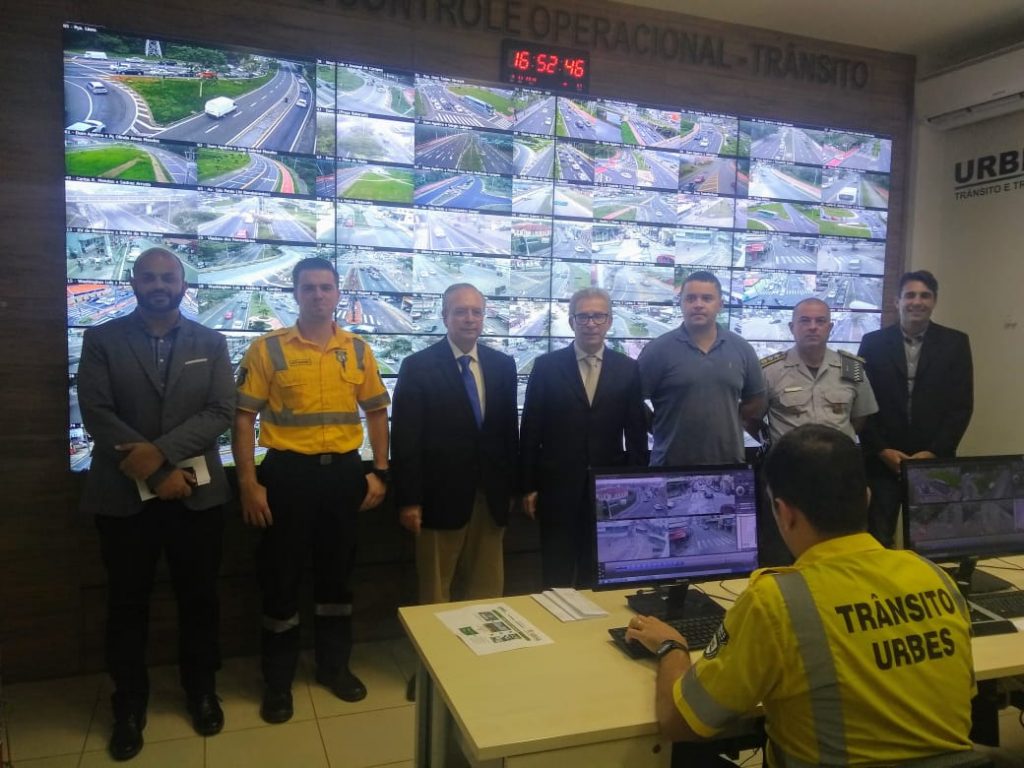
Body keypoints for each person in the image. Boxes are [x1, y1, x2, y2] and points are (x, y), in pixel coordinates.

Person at [626, 424, 975, 766]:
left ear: (784, 513)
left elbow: (680, 723)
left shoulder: (776, 602)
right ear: (867, 498)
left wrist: (672, 648)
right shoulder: (935, 577)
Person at [78, 247, 235, 760]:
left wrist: (159, 457)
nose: (159, 285)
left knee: (201, 601)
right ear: (134, 283)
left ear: (183, 284)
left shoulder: (211, 341)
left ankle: (201, 691)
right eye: (149, 277)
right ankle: (129, 705)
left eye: (168, 277)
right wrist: (157, 471)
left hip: (196, 497)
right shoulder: (101, 339)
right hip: (122, 498)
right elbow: (96, 413)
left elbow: (221, 411)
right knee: (126, 605)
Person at [233, 257, 390, 725]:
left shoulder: (357, 350)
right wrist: (248, 483)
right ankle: (278, 683)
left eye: (326, 287)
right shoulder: (267, 349)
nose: (318, 295)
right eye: (309, 287)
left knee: (337, 578)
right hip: (287, 476)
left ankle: (334, 668)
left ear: (338, 293)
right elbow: (243, 418)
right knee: (280, 579)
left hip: (343, 475)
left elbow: (377, 412)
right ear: (296, 293)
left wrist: (380, 471)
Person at [391, 283, 519, 604]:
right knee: (435, 593)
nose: (469, 319)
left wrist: (510, 490)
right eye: (461, 311)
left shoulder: (503, 365)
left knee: (487, 593)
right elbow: (406, 439)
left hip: (490, 499)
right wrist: (409, 500)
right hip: (438, 499)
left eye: (477, 312)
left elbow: (508, 433)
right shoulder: (417, 366)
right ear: (444, 315)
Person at [519, 288, 648, 588]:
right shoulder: (546, 366)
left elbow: (636, 434)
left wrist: (636, 485)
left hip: (610, 490)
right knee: (556, 574)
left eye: (598, 316)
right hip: (556, 488)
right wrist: (527, 486)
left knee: (599, 574)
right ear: (571, 321)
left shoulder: (628, 369)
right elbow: (531, 430)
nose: (591, 323)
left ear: (609, 321)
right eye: (584, 316)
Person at [755, 298, 878, 565]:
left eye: (820, 321)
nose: (813, 327)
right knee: (781, 557)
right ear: (792, 327)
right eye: (805, 321)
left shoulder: (852, 368)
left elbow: (860, 418)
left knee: (843, 555)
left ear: (830, 327)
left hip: (839, 479)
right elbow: (752, 418)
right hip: (788, 477)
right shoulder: (770, 370)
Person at [857, 270, 973, 546]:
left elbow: (961, 406)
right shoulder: (872, 343)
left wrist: (933, 452)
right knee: (878, 540)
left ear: (934, 301)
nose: (917, 302)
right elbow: (860, 404)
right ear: (897, 301)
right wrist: (881, 449)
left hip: (933, 461)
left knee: (934, 541)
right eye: (910, 295)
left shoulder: (956, 343)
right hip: (882, 461)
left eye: (925, 296)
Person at [638, 270, 765, 466]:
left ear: (720, 305)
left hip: (728, 466)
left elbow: (756, 399)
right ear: (681, 303)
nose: (698, 304)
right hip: (669, 467)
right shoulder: (656, 350)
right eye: (691, 298)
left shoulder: (742, 349)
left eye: (707, 298)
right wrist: (659, 426)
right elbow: (634, 402)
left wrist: (729, 420)